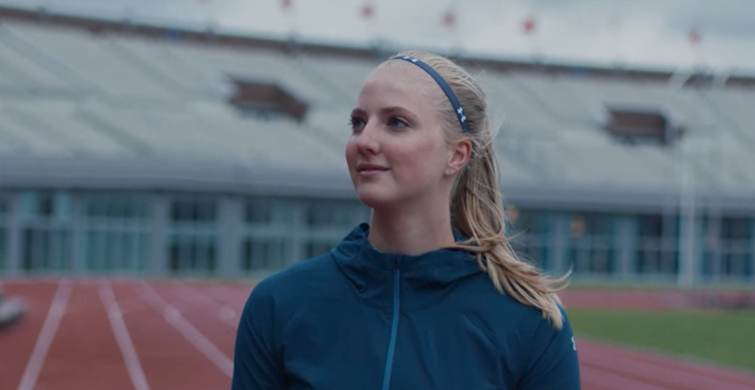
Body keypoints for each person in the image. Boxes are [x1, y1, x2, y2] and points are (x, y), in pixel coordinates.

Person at [231, 50, 580, 389]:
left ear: (456, 155)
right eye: (357, 122)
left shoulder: (530, 321)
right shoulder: (279, 304)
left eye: (396, 122)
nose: (364, 141)